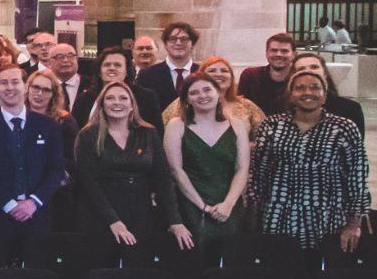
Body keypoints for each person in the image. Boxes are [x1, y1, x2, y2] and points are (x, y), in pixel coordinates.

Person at [250, 68, 370, 254]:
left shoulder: (344, 127)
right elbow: (259, 171)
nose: (307, 92)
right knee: (281, 269)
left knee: (321, 272)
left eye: (315, 88)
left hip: (328, 215)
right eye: (300, 88)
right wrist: (253, 216)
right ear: (291, 95)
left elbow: (358, 176)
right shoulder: (272, 125)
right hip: (279, 213)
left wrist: (354, 223)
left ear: (324, 95)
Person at [0, 63, 67, 261]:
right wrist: (9, 204)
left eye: (15, 82)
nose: (9, 87)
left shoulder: (49, 126)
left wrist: (34, 202)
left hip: (37, 215)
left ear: (25, 87)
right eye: (4, 83)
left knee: (36, 277)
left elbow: (56, 169)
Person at [74, 81, 187, 251]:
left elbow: (163, 178)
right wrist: (113, 221)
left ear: (132, 105)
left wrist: (175, 220)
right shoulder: (88, 135)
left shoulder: (148, 133)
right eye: (110, 98)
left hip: (140, 213)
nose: (117, 102)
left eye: (123, 98)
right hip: (99, 214)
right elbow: (89, 182)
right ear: (102, 105)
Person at [164, 72, 249, 251]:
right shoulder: (176, 125)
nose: (202, 95)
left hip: (229, 206)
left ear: (218, 93)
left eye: (207, 90)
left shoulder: (237, 125)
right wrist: (203, 206)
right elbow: (176, 170)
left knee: (229, 261)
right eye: (194, 92)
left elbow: (242, 169)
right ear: (186, 99)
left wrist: (229, 203)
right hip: (191, 206)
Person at [162, 57, 267, 140]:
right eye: (212, 71)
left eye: (224, 70)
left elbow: (265, 137)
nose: (218, 74)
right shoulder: (182, 103)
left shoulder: (247, 106)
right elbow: (162, 131)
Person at [72, 46, 160, 127]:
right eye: (107, 65)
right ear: (99, 71)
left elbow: (155, 132)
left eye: (117, 65)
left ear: (127, 72)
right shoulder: (84, 99)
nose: (112, 68)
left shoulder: (146, 97)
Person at [237, 33, 299, 116]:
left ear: (294, 55)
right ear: (266, 53)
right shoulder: (250, 76)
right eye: (274, 50)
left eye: (284, 51)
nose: (278, 54)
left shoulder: (300, 80)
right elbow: (240, 109)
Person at [143, 22, 199, 113]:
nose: (178, 43)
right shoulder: (147, 75)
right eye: (173, 39)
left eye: (184, 39)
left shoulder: (203, 72)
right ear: (165, 45)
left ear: (192, 44)